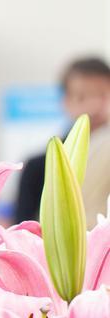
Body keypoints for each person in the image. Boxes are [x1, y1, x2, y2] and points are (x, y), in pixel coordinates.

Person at [14, 56, 110, 223]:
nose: (93, 107)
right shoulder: (38, 167)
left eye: (102, 96)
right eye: (81, 98)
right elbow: (24, 230)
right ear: (65, 102)